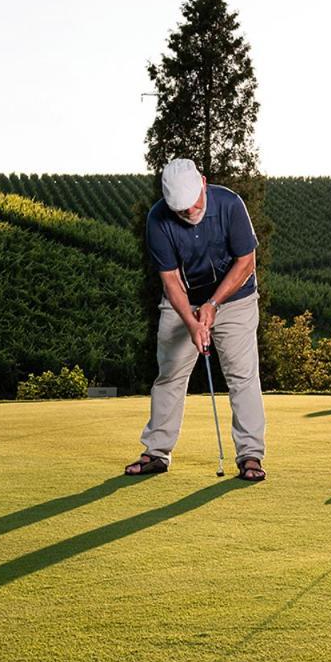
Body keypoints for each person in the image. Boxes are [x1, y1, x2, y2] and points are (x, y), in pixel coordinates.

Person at [125, 158, 267, 481]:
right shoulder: (157, 220)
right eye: (181, 209)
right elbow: (171, 280)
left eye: (194, 204)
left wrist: (214, 304)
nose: (190, 212)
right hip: (184, 300)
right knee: (170, 373)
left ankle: (250, 456)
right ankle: (156, 452)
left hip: (235, 297)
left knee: (242, 376)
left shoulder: (230, 204)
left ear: (203, 182)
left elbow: (246, 262)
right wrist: (191, 322)